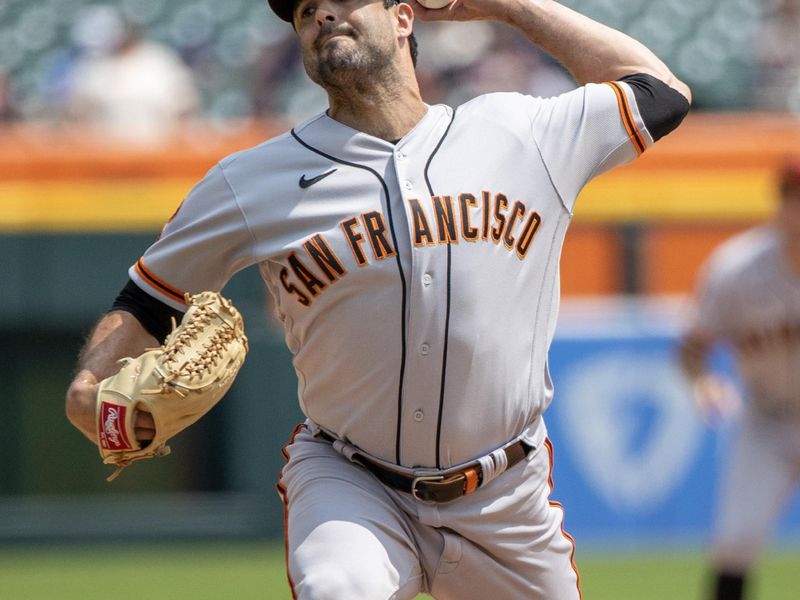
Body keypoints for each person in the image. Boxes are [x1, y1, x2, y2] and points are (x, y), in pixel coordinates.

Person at [65, 0, 690, 597]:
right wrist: (90, 384)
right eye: (306, 11)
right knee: (340, 588)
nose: (322, 14)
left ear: (402, 18)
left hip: (504, 494)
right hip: (352, 479)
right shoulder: (249, 180)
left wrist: (511, 8)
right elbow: (149, 298)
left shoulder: (519, 131)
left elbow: (660, 92)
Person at [678, 161, 800, 600]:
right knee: (736, 541)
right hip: (766, 418)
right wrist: (705, 383)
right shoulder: (738, 267)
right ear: (781, 204)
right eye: (794, 198)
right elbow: (692, 348)